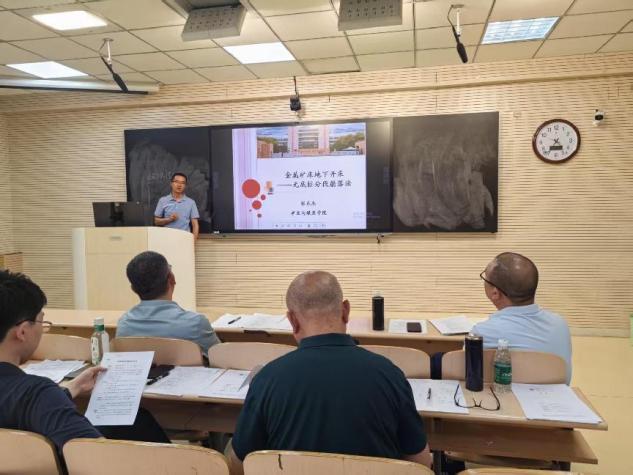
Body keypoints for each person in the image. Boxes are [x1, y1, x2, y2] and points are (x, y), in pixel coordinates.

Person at [227, 271, 431, 471]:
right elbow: (420, 463)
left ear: (293, 320)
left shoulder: (266, 380)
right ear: (345, 311)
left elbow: (239, 464)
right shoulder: (390, 375)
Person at [0, 270, 169, 452]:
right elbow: (96, 456)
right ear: (22, 332)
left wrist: (72, 388)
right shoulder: (36, 393)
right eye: (42, 322)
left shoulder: (30, 395)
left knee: (136, 419)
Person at [473, 252, 572, 384]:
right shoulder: (560, 324)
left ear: (495, 293)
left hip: (506, 396)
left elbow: (468, 375)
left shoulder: (483, 333)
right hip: (558, 396)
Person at [117, 251, 219, 355]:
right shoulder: (196, 324)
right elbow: (220, 358)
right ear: (172, 278)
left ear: (133, 289)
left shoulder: (124, 325)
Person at [154, 172, 200, 240]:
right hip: (167, 239)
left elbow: (195, 225)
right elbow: (156, 221)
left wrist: (192, 242)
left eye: (182, 183)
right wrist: (169, 219)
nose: (179, 185)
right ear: (171, 183)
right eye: (176, 182)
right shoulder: (163, 200)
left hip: (184, 239)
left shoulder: (191, 202)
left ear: (185, 186)